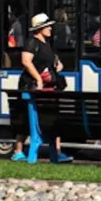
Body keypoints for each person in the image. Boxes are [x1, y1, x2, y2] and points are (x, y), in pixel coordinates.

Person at [19, 12, 72, 163]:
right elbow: (26, 61)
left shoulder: (47, 44)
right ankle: (49, 152)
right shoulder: (32, 42)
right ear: (39, 28)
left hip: (49, 88)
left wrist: (58, 64)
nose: (50, 28)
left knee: (52, 118)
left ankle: (56, 152)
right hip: (36, 88)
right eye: (47, 26)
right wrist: (38, 79)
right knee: (40, 119)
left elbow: (52, 59)